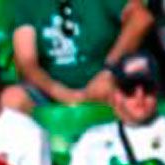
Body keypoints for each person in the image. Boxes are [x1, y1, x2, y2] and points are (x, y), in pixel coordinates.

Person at [11, 0, 149, 106]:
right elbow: (27, 62)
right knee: (12, 99)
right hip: (51, 89)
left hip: (106, 78)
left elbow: (141, 19)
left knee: (131, 92)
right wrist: (61, 93)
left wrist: (108, 72)